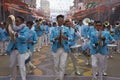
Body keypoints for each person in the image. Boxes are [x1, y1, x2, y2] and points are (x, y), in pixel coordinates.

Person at [6, 15, 29, 80]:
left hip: (21, 50)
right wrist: (8, 25)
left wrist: (17, 35)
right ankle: (13, 77)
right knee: (12, 65)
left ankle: (23, 78)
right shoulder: (12, 27)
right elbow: (7, 34)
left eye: (17, 21)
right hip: (13, 49)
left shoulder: (26, 29)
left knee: (21, 66)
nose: (16, 22)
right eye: (15, 21)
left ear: (22, 22)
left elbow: (25, 38)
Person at [50, 15, 72, 80]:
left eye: (61, 20)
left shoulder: (67, 29)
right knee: (56, 65)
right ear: (57, 21)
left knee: (62, 65)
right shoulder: (53, 29)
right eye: (59, 20)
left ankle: (61, 78)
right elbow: (51, 39)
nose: (60, 22)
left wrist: (66, 37)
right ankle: (57, 77)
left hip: (64, 49)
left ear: (63, 21)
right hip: (56, 49)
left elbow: (71, 38)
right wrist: (55, 38)